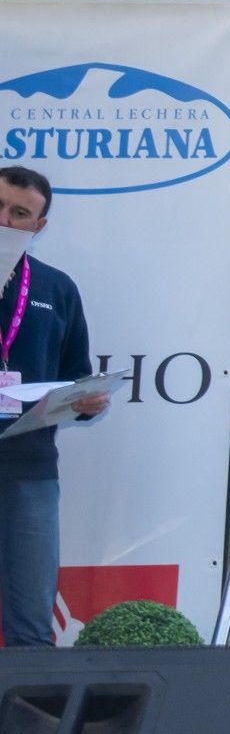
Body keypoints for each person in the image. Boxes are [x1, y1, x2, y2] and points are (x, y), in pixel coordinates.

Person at [0, 165, 109, 648]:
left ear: (37, 227)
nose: (4, 219)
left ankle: (28, 726)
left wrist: (87, 402)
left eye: (18, 213)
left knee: (30, 624)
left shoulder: (56, 288)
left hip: (29, 468)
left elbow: (76, 377)